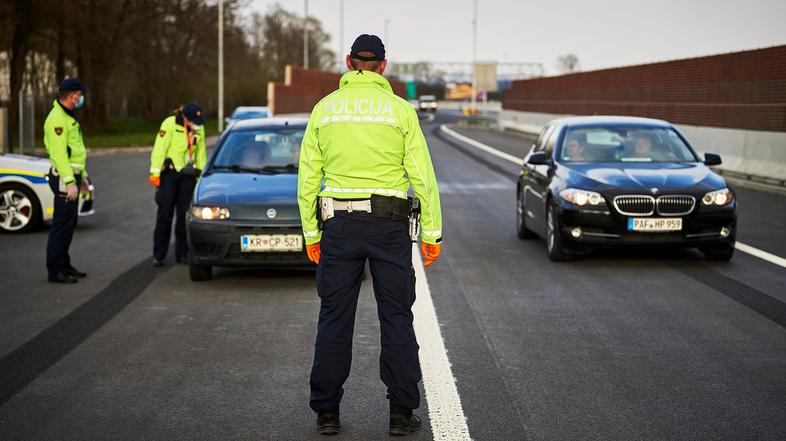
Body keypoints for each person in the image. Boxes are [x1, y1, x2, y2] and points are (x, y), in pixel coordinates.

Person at [297, 34, 442, 436]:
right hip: (388, 227)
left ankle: (327, 412)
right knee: (396, 317)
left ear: (349, 63)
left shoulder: (324, 109)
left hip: (338, 227)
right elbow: (422, 177)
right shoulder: (400, 111)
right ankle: (401, 414)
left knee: (334, 318)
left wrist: (311, 233)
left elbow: (307, 178)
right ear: (383, 65)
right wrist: (432, 233)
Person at [44, 77, 91, 283]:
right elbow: (59, 155)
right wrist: (70, 182)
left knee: (69, 225)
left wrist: (83, 176)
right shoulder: (57, 119)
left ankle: (64, 264)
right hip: (64, 178)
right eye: (80, 95)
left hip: (73, 175)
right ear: (72, 96)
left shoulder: (68, 116)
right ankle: (55, 270)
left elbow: (76, 151)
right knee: (61, 226)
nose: (82, 98)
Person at [148, 103, 207, 266]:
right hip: (170, 174)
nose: (197, 124)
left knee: (184, 216)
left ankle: (182, 253)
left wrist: (201, 177)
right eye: (194, 121)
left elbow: (201, 153)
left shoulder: (199, 128)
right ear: (185, 118)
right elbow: (159, 149)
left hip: (188, 175)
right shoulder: (170, 124)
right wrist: (155, 173)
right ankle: (159, 255)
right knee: (165, 215)